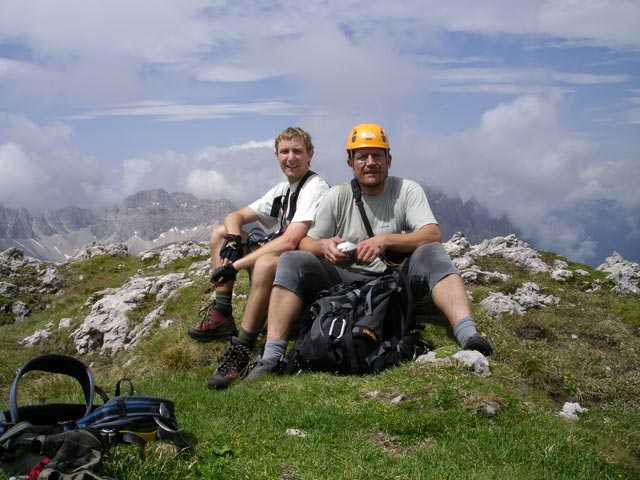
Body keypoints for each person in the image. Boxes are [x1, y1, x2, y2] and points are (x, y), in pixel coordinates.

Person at [241, 122, 494, 381]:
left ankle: (468, 335)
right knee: (292, 259)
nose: (370, 162)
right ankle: (272, 356)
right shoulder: (337, 196)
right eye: (362, 156)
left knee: (432, 252)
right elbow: (306, 242)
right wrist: (323, 246)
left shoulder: (407, 190)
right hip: (344, 280)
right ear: (351, 163)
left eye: (377, 155)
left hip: (394, 282)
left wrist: (385, 241)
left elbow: (432, 234)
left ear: (389, 159)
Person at [186, 127, 330, 389]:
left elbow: (290, 240)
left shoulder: (314, 187)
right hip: (288, 264)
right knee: (220, 233)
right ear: (276, 155)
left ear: (310, 155)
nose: (290, 158)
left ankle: (242, 347)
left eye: (297, 151)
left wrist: (235, 266)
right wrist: (231, 240)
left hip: (305, 275)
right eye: (284, 152)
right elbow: (235, 216)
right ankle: (220, 314)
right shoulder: (283, 190)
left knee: (266, 261)